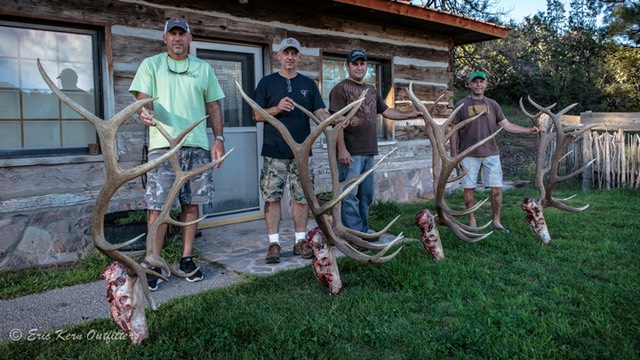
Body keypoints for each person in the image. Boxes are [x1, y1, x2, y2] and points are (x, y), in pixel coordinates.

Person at [129, 17, 226, 290]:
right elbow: (142, 99)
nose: (177, 39)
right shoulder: (151, 65)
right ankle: (153, 261)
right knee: (157, 207)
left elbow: (214, 106)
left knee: (191, 205)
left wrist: (218, 139)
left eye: (181, 34)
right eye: (172, 34)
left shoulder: (203, 69)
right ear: (165, 39)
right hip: (163, 146)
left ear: (189, 38)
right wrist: (143, 111)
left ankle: (186, 259)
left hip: (196, 146)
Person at [253, 37, 331, 264]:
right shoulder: (267, 83)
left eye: (294, 53)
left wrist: (333, 121)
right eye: (286, 53)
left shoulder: (308, 85)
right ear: (278, 56)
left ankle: (300, 241)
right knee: (272, 198)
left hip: (302, 153)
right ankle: (274, 243)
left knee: (301, 198)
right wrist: (276, 109)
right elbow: (256, 115)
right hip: (273, 151)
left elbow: (319, 112)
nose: (290, 57)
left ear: (299, 57)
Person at [329, 49, 421, 237]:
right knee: (349, 194)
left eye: (362, 63)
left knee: (366, 195)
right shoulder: (340, 89)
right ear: (347, 66)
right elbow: (336, 122)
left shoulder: (371, 90)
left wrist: (409, 114)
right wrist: (342, 149)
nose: (359, 67)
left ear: (367, 66)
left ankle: (362, 229)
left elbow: (386, 111)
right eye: (355, 64)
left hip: (369, 151)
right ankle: (353, 233)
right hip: (351, 152)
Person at [450, 70, 539, 233]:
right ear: (470, 84)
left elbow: (507, 125)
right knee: (468, 188)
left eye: (481, 82)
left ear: (486, 84)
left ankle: (496, 221)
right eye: (475, 82)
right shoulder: (461, 105)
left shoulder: (493, 105)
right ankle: (472, 220)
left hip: (491, 153)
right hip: (468, 154)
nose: (478, 84)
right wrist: (455, 155)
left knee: (496, 188)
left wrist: (528, 130)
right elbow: (454, 131)